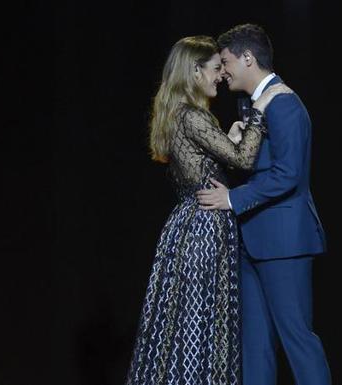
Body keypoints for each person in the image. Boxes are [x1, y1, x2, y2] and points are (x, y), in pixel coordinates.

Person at [124, 35, 291, 385]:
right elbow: (244, 160)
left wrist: (229, 137)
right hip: (204, 228)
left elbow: (207, 161)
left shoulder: (183, 115)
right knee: (201, 325)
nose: (220, 77)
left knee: (190, 324)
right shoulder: (193, 116)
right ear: (195, 71)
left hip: (193, 224)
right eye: (215, 69)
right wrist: (260, 110)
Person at [196, 24, 332, 385]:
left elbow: (288, 174)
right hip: (252, 239)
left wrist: (231, 198)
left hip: (284, 241)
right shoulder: (256, 106)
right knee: (255, 347)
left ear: (248, 58)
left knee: (297, 340)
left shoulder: (284, 103)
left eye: (225, 63)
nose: (222, 72)